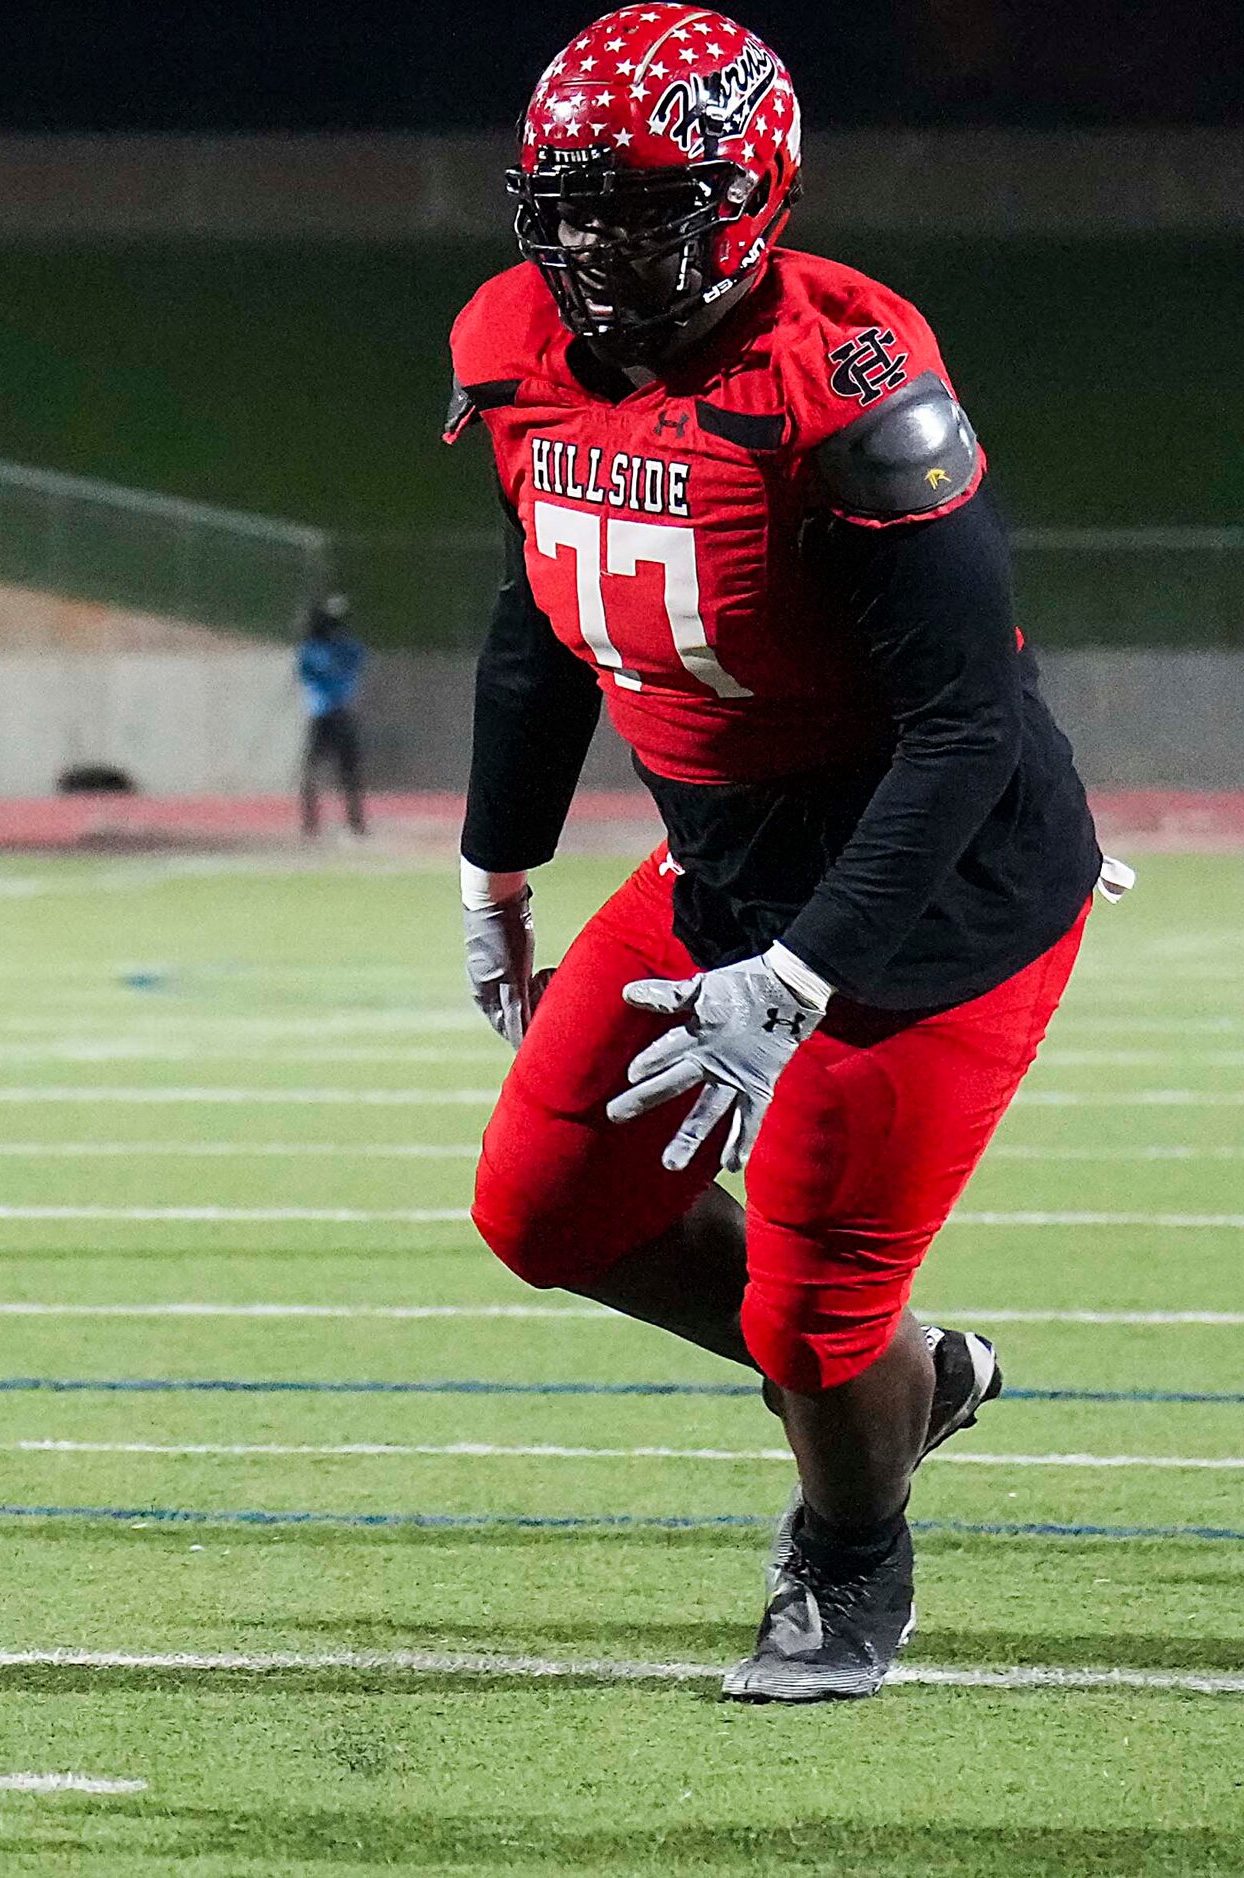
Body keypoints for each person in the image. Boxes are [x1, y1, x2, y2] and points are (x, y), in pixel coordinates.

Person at [447, 8, 1111, 1702]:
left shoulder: (854, 384)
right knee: (545, 1204)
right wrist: (494, 872)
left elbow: (962, 731)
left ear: (751, 196)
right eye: (571, 205)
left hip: (935, 887)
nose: (595, 248)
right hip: (723, 857)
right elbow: (538, 602)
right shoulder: (514, 341)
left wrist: (798, 980)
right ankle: (904, 1380)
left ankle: (847, 1549)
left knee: (812, 1314)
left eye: (639, 206)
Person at [294, 593, 369, 837]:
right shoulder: (316, 650)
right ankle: (313, 824)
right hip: (325, 714)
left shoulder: (339, 648)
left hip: (335, 713)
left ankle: (354, 822)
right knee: (313, 772)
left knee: (346, 771)